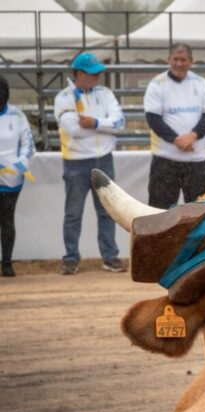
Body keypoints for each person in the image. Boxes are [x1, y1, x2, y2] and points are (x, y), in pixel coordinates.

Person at [54, 52, 125, 275]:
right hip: (76, 162)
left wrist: (93, 122)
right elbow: (72, 128)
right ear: (80, 74)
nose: (98, 76)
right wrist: (105, 126)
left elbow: (120, 123)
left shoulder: (105, 94)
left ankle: (110, 256)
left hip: (103, 159)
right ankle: (71, 258)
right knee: (73, 212)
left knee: (107, 211)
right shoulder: (63, 97)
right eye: (94, 73)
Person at [143, 43, 205, 209]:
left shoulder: (201, 83)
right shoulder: (157, 84)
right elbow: (153, 118)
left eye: (183, 60)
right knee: (160, 215)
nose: (178, 64)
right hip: (165, 160)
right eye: (175, 59)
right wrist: (177, 140)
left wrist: (191, 136)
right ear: (168, 60)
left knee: (202, 212)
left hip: (196, 160)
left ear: (191, 61)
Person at [0, 74, 35, 277]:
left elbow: (28, 144)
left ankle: (7, 263)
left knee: (6, 221)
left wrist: (21, 164)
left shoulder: (17, 115)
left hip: (11, 180)